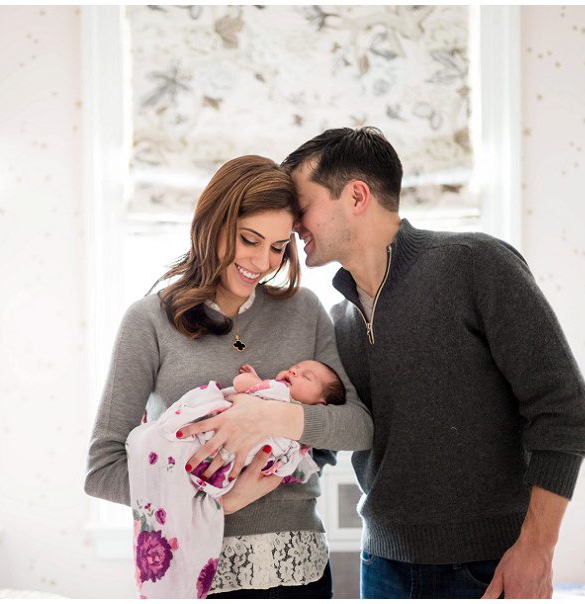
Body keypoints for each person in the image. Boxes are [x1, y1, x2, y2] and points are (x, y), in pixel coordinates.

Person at [278, 126, 585, 599]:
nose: (292, 226)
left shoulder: (476, 264)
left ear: (356, 195)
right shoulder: (336, 321)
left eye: (301, 207)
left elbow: (567, 414)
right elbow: (326, 436)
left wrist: (536, 549)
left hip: (489, 567)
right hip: (382, 567)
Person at [84, 155, 373, 598]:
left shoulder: (304, 311)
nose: (262, 261)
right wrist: (218, 501)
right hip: (201, 576)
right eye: (248, 239)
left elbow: (357, 426)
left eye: (278, 247)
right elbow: (102, 470)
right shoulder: (149, 322)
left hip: (299, 573)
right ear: (212, 224)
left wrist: (266, 419)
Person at [125, 360, 346, 598]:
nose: (295, 371)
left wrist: (254, 382)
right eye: (296, 367)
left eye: (307, 376)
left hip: (300, 562)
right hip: (232, 565)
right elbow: (245, 388)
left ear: (321, 404)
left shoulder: (290, 404)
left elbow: (243, 385)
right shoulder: (279, 396)